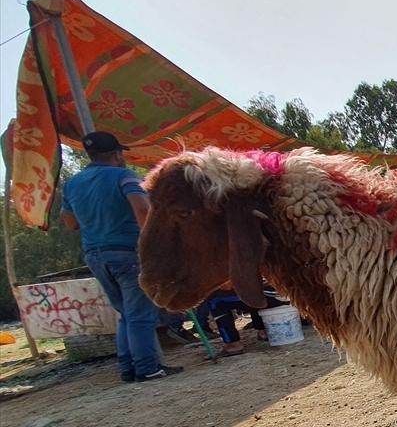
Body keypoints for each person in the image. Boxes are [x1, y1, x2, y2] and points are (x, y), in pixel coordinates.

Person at [61, 131, 182, 382]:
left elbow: (70, 222)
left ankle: (128, 368)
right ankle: (148, 368)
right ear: (116, 154)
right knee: (141, 313)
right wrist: (152, 242)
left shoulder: (73, 184)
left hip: (95, 254)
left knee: (125, 314)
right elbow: (141, 207)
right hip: (127, 251)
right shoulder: (123, 176)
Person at [207, 282, 287, 357]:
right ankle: (263, 331)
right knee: (251, 293)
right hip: (286, 293)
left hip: (274, 294)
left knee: (215, 301)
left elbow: (226, 286)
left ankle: (233, 344)